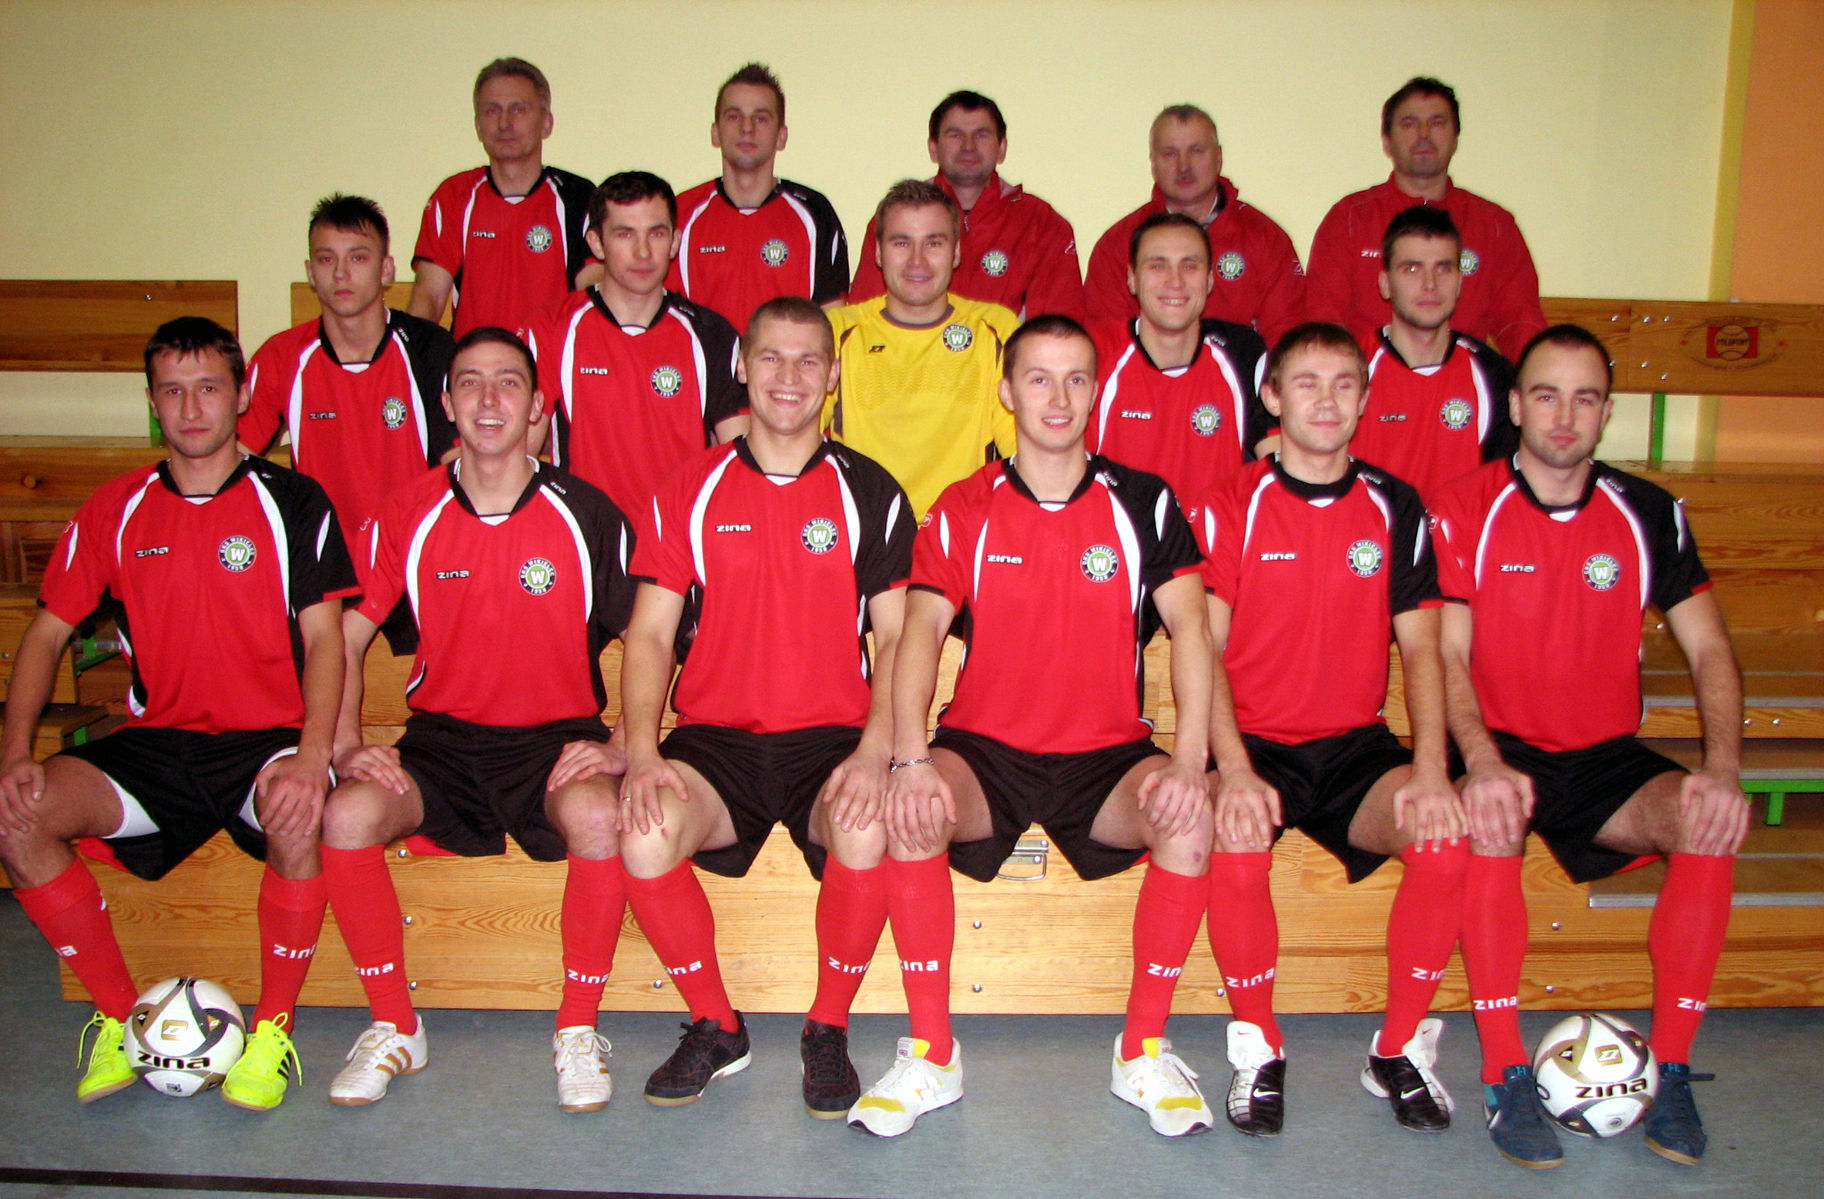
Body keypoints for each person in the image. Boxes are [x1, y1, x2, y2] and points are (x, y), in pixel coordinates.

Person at [855, 315, 1216, 1139]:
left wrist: (1190, 760)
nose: (1059, 397)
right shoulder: (964, 506)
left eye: (1077, 378)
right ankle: (932, 1052)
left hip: (1108, 755)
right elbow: (919, 633)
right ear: (1008, 392)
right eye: (1040, 378)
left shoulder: (1144, 501)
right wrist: (910, 759)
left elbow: (1192, 629)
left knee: (1190, 821)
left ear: (1097, 391)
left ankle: (1142, 1048)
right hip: (987, 752)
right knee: (910, 813)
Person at [0, 317, 353, 1111]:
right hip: (157, 744)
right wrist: (15, 752)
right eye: (172, 391)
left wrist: (311, 754)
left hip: (267, 741)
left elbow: (327, 640)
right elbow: (47, 632)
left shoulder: (293, 500)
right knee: (17, 819)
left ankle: (272, 1029)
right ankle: (119, 1019)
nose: (191, 408)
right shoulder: (115, 507)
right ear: (153, 403)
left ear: (241, 395)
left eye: (208, 388)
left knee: (301, 813)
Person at [1430, 324, 1747, 1169]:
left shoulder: (1649, 512)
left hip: (1607, 756)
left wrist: (1722, 769)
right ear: (1514, 405)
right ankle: (1504, 1070)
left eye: (1584, 397)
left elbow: (1711, 649)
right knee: (1489, 819)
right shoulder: (1464, 505)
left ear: (1607, 412)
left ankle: (1670, 1067)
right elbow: (1447, 654)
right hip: (1500, 746)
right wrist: (1481, 760)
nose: (1564, 415)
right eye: (1546, 395)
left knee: (1708, 820)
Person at [318, 328, 637, 1113]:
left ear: (537, 406)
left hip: (555, 740)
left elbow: (651, 634)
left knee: (600, 819)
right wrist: (345, 742)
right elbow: (343, 637)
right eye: (470, 382)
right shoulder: (406, 512)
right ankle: (395, 1024)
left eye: (507, 382)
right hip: (443, 744)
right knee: (347, 814)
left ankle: (577, 1026)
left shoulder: (587, 512)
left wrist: (628, 740)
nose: (489, 399)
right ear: (446, 401)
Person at [616, 297, 915, 1117]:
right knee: (642, 832)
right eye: (772, 358)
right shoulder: (690, 485)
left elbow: (898, 639)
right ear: (742, 367)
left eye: (808, 359)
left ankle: (828, 1026)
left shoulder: (871, 490)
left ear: (833, 373)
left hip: (833, 737)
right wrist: (641, 751)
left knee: (866, 824)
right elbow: (650, 635)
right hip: (716, 739)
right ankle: (717, 1024)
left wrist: (875, 749)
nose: (789, 376)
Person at [1195, 322, 1468, 1140]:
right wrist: (1233, 769)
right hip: (1257, 742)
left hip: (1356, 744)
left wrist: (1430, 769)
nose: (1326, 400)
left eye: (1344, 384)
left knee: (1444, 836)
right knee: (1235, 838)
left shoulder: (1395, 504)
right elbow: (1204, 646)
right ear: (1272, 397)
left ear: (1364, 400)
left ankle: (1396, 1048)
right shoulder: (1231, 501)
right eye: (1306, 383)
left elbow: (1422, 647)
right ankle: (1259, 1044)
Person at [523, 171, 746, 523]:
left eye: (656, 234)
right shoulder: (552, 329)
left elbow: (739, 462)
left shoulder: (712, 334)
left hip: (678, 537)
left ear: (674, 241)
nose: (643, 252)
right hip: (588, 534)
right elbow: (521, 453)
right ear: (596, 243)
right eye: (625, 234)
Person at [240, 193, 457, 541]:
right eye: (326, 259)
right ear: (311, 272)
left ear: (386, 269)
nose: (341, 274)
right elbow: (234, 459)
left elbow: (460, 463)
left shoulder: (430, 348)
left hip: (412, 549)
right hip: (323, 554)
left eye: (358, 257)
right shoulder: (281, 356)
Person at [1306, 76, 1546, 357]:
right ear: (1387, 141)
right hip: (1369, 378)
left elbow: (1521, 324)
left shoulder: (1494, 226)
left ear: (1455, 138)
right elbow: (1323, 325)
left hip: (1464, 379)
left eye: (1437, 123)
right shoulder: (1349, 220)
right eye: (1409, 124)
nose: (1423, 134)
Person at [823, 180, 1020, 517]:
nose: (917, 261)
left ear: (956, 253)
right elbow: (794, 440)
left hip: (960, 530)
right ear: (878, 253)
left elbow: (1023, 451)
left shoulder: (997, 330)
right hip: (865, 531)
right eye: (902, 243)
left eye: (933, 243)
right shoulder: (835, 332)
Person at [847, 90, 1084, 321]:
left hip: (1004, 349)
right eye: (955, 135)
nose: (968, 146)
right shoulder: (897, 218)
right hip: (908, 349)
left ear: (1002, 148)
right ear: (933, 148)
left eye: (981, 135)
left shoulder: (1041, 224)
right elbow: (865, 319)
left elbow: (1057, 330)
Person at [408, 58, 599, 337]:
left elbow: (594, 298)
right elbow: (429, 298)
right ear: (478, 126)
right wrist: (411, 358)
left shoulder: (579, 198)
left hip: (549, 362)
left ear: (546, 123)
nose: (504, 123)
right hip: (473, 361)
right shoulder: (453, 197)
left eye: (518, 109)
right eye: (492, 110)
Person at [1088, 212, 1269, 503]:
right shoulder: (1094, 354)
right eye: (1157, 265)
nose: (1175, 281)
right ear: (1132, 278)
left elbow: (1281, 467)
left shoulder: (1242, 353)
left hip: (1215, 532)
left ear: (1209, 279)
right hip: (1121, 530)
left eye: (1190, 266)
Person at [1083, 105, 1302, 344]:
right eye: (1170, 154)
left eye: (1196, 151)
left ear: (1218, 157)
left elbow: (1288, 344)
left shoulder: (1267, 239)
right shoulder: (1117, 245)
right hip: (1145, 369)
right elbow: (1106, 344)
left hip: (1243, 369)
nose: (1183, 166)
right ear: (1153, 163)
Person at [667, 63, 850, 329]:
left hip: (790, 358)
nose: (747, 128)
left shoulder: (815, 213)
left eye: (761, 118)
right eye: (734, 116)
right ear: (715, 132)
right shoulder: (681, 212)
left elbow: (833, 321)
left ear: (781, 136)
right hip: (705, 359)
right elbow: (660, 313)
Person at [1353, 205, 1515, 503]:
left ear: (1460, 282)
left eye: (1443, 268)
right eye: (1412, 269)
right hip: (1369, 531)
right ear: (1385, 284)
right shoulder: (1349, 369)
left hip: (1460, 532)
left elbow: (1503, 494)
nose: (1430, 285)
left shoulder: (1495, 376)